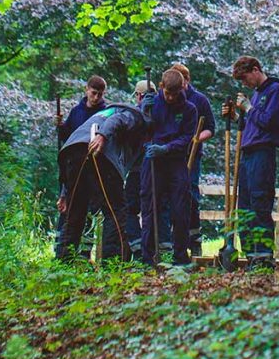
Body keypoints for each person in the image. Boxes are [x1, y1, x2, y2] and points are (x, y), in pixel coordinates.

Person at [56, 95, 151, 262]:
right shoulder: (135, 116)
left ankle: (63, 262)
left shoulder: (103, 112)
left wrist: (64, 193)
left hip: (70, 153)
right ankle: (112, 264)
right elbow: (118, 120)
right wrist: (102, 136)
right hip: (99, 153)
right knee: (115, 211)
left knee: (75, 212)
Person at [222, 56, 279, 268]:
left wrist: (248, 108)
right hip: (248, 155)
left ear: (256, 69)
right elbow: (253, 124)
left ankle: (264, 256)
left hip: (263, 153)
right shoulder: (257, 94)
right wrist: (235, 117)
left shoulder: (275, 91)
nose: (245, 84)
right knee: (245, 208)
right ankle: (251, 256)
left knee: (260, 204)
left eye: (245, 79)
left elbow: (269, 122)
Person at [140, 69, 197, 266]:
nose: (171, 98)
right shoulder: (151, 104)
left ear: (182, 88)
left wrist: (166, 148)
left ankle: (180, 256)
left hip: (175, 161)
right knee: (149, 208)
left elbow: (187, 137)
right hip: (153, 162)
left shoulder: (189, 109)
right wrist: (142, 113)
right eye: (167, 93)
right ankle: (147, 258)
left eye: (175, 93)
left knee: (180, 208)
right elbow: (139, 132)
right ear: (161, 87)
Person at [55, 76, 110, 257]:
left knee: (91, 212)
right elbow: (68, 137)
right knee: (72, 212)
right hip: (75, 168)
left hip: (95, 167)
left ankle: (85, 254)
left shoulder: (105, 113)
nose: (96, 97)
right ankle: (65, 253)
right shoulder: (76, 112)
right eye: (93, 93)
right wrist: (60, 126)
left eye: (100, 94)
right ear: (87, 90)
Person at [169, 63, 215, 257]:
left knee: (191, 197)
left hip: (192, 156)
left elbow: (210, 128)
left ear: (186, 81)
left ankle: (194, 241)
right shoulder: (169, 98)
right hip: (172, 155)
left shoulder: (200, 100)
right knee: (172, 198)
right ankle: (174, 242)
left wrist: (196, 138)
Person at [122, 80, 155, 261]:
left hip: (149, 170)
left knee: (149, 210)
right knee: (132, 210)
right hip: (136, 169)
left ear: (139, 95)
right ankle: (139, 248)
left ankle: (146, 250)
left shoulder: (159, 113)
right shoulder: (134, 114)